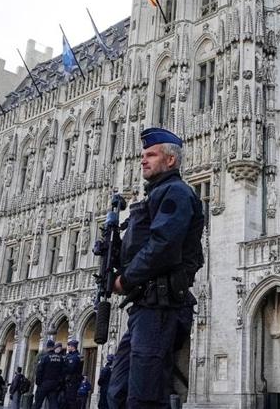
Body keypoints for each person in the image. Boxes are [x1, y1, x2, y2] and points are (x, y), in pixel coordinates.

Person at [107, 128, 205, 409]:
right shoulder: (155, 195)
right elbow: (142, 245)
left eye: (151, 154)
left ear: (170, 160)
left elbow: (163, 245)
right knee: (119, 391)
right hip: (143, 307)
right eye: (142, 155)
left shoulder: (177, 192)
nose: (143, 160)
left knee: (145, 396)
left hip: (160, 307)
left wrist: (124, 280)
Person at [33, 340, 65, 409]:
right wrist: (59, 383)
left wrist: (38, 382)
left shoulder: (45, 357)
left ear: (47, 347)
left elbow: (39, 371)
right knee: (53, 404)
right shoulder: (60, 358)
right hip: (54, 384)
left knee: (38, 403)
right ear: (53, 347)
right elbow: (62, 372)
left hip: (44, 384)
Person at [62, 340, 82, 409]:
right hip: (71, 381)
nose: (68, 348)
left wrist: (63, 367)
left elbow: (70, 369)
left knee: (71, 400)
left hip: (72, 381)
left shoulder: (74, 357)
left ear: (73, 347)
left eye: (69, 346)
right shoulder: (72, 355)